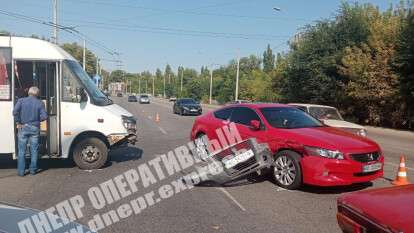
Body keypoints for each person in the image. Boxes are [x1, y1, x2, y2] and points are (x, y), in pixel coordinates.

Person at [13, 86, 47, 176]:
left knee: (21, 151)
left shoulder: (21, 101)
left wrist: (18, 121)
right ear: (37, 94)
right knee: (34, 150)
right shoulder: (40, 103)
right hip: (34, 128)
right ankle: (33, 170)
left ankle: (21, 172)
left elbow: (15, 112)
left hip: (23, 127)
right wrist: (37, 120)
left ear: (29, 92)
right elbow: (44, 117)